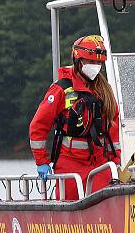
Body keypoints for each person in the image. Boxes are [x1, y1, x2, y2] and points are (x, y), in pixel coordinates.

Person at [29, 35, 121, 199]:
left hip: (100, 162)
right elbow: (39, 126)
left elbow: (113, 125)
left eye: (99, 63)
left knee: (103, 205)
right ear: (78, 60)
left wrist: (116, 159)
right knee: (68, 207)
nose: (96, 67)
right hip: (69, 162)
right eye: (91, 62)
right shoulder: (61, 89)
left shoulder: (104, 90)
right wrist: (41, 161)